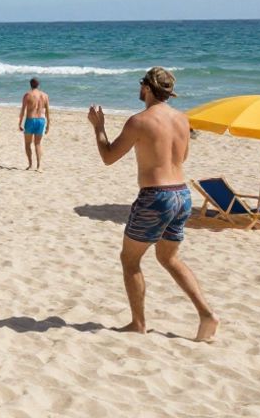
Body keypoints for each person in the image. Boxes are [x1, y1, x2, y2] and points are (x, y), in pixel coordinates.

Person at [88, 67, 218, 342]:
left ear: (146, 88)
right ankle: (207, 314)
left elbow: (108, 157)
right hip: (181, 195)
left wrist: (99, 128)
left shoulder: (139, 121)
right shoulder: (182, 120)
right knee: (168, 257)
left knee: (129, 259)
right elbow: (182, 156)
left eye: (140, 85)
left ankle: (138, 323)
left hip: (155, 197)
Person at [18, 78, 50, 170]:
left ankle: (30, 164)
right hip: (41, 120)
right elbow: (47, 111)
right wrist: (48, 125)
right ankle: (39, 166)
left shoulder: (28, 95)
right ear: (38, 85)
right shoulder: (45, 96)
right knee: (38, 143)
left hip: (30, 120)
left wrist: (20, 123)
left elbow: (23, 110)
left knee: (27, 144)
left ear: (30, 85)